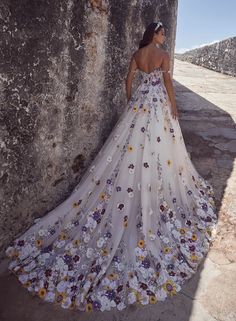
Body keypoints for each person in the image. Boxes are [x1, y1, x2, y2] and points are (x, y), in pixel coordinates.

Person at [5, 21, 218, 313]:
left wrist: (132, 100)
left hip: (140, 105)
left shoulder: (138, 54)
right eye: (162, 32)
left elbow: (127, 80)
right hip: (156, 107)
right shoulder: (163, 56)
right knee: (158, 152)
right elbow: (168, 84)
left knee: (127, 149)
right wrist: (174, 109)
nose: (164, 36)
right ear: (155, 34)